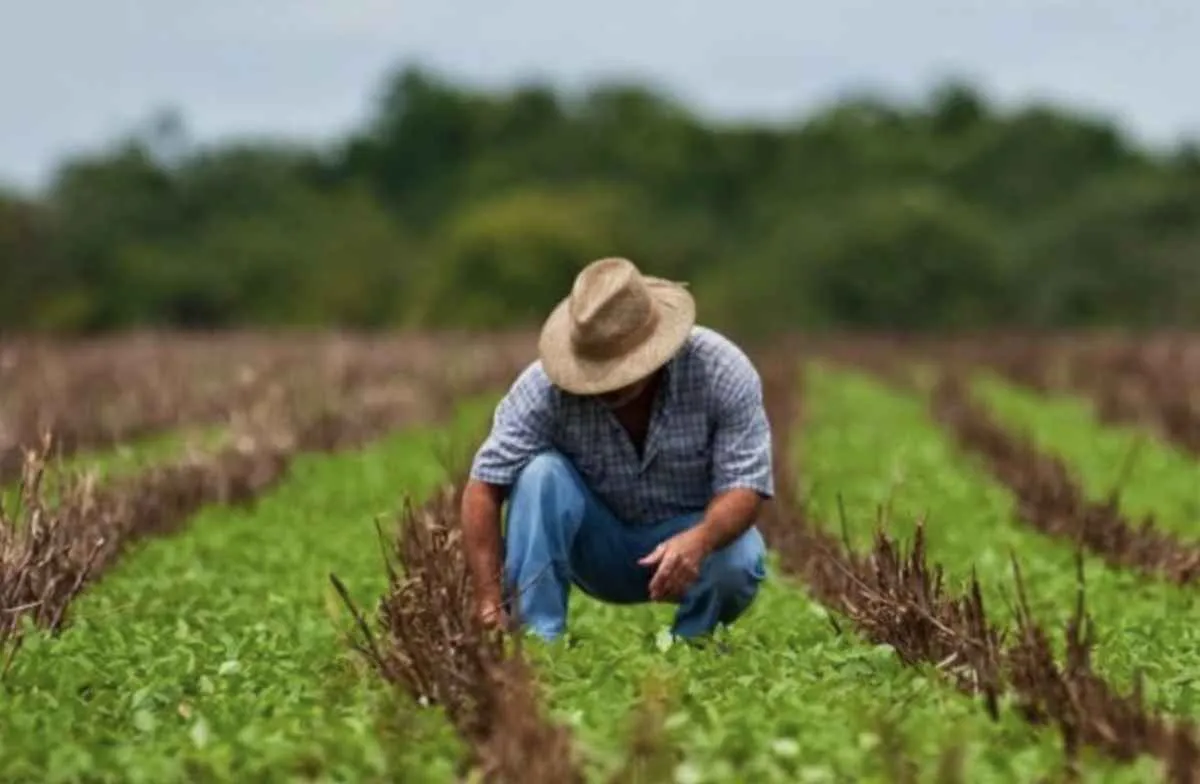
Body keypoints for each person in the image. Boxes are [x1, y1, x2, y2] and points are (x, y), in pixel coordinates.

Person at [460, 256, 773, 642]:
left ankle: (692, 646)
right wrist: (488, 601)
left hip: (689, 540)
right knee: (541, 475)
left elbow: (745, 485)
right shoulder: (543, 389)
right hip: (596, 547)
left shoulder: (721, 370)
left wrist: (701, 539)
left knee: (740, 556)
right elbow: (483, 487)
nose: (608, 385)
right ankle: (538, 642)